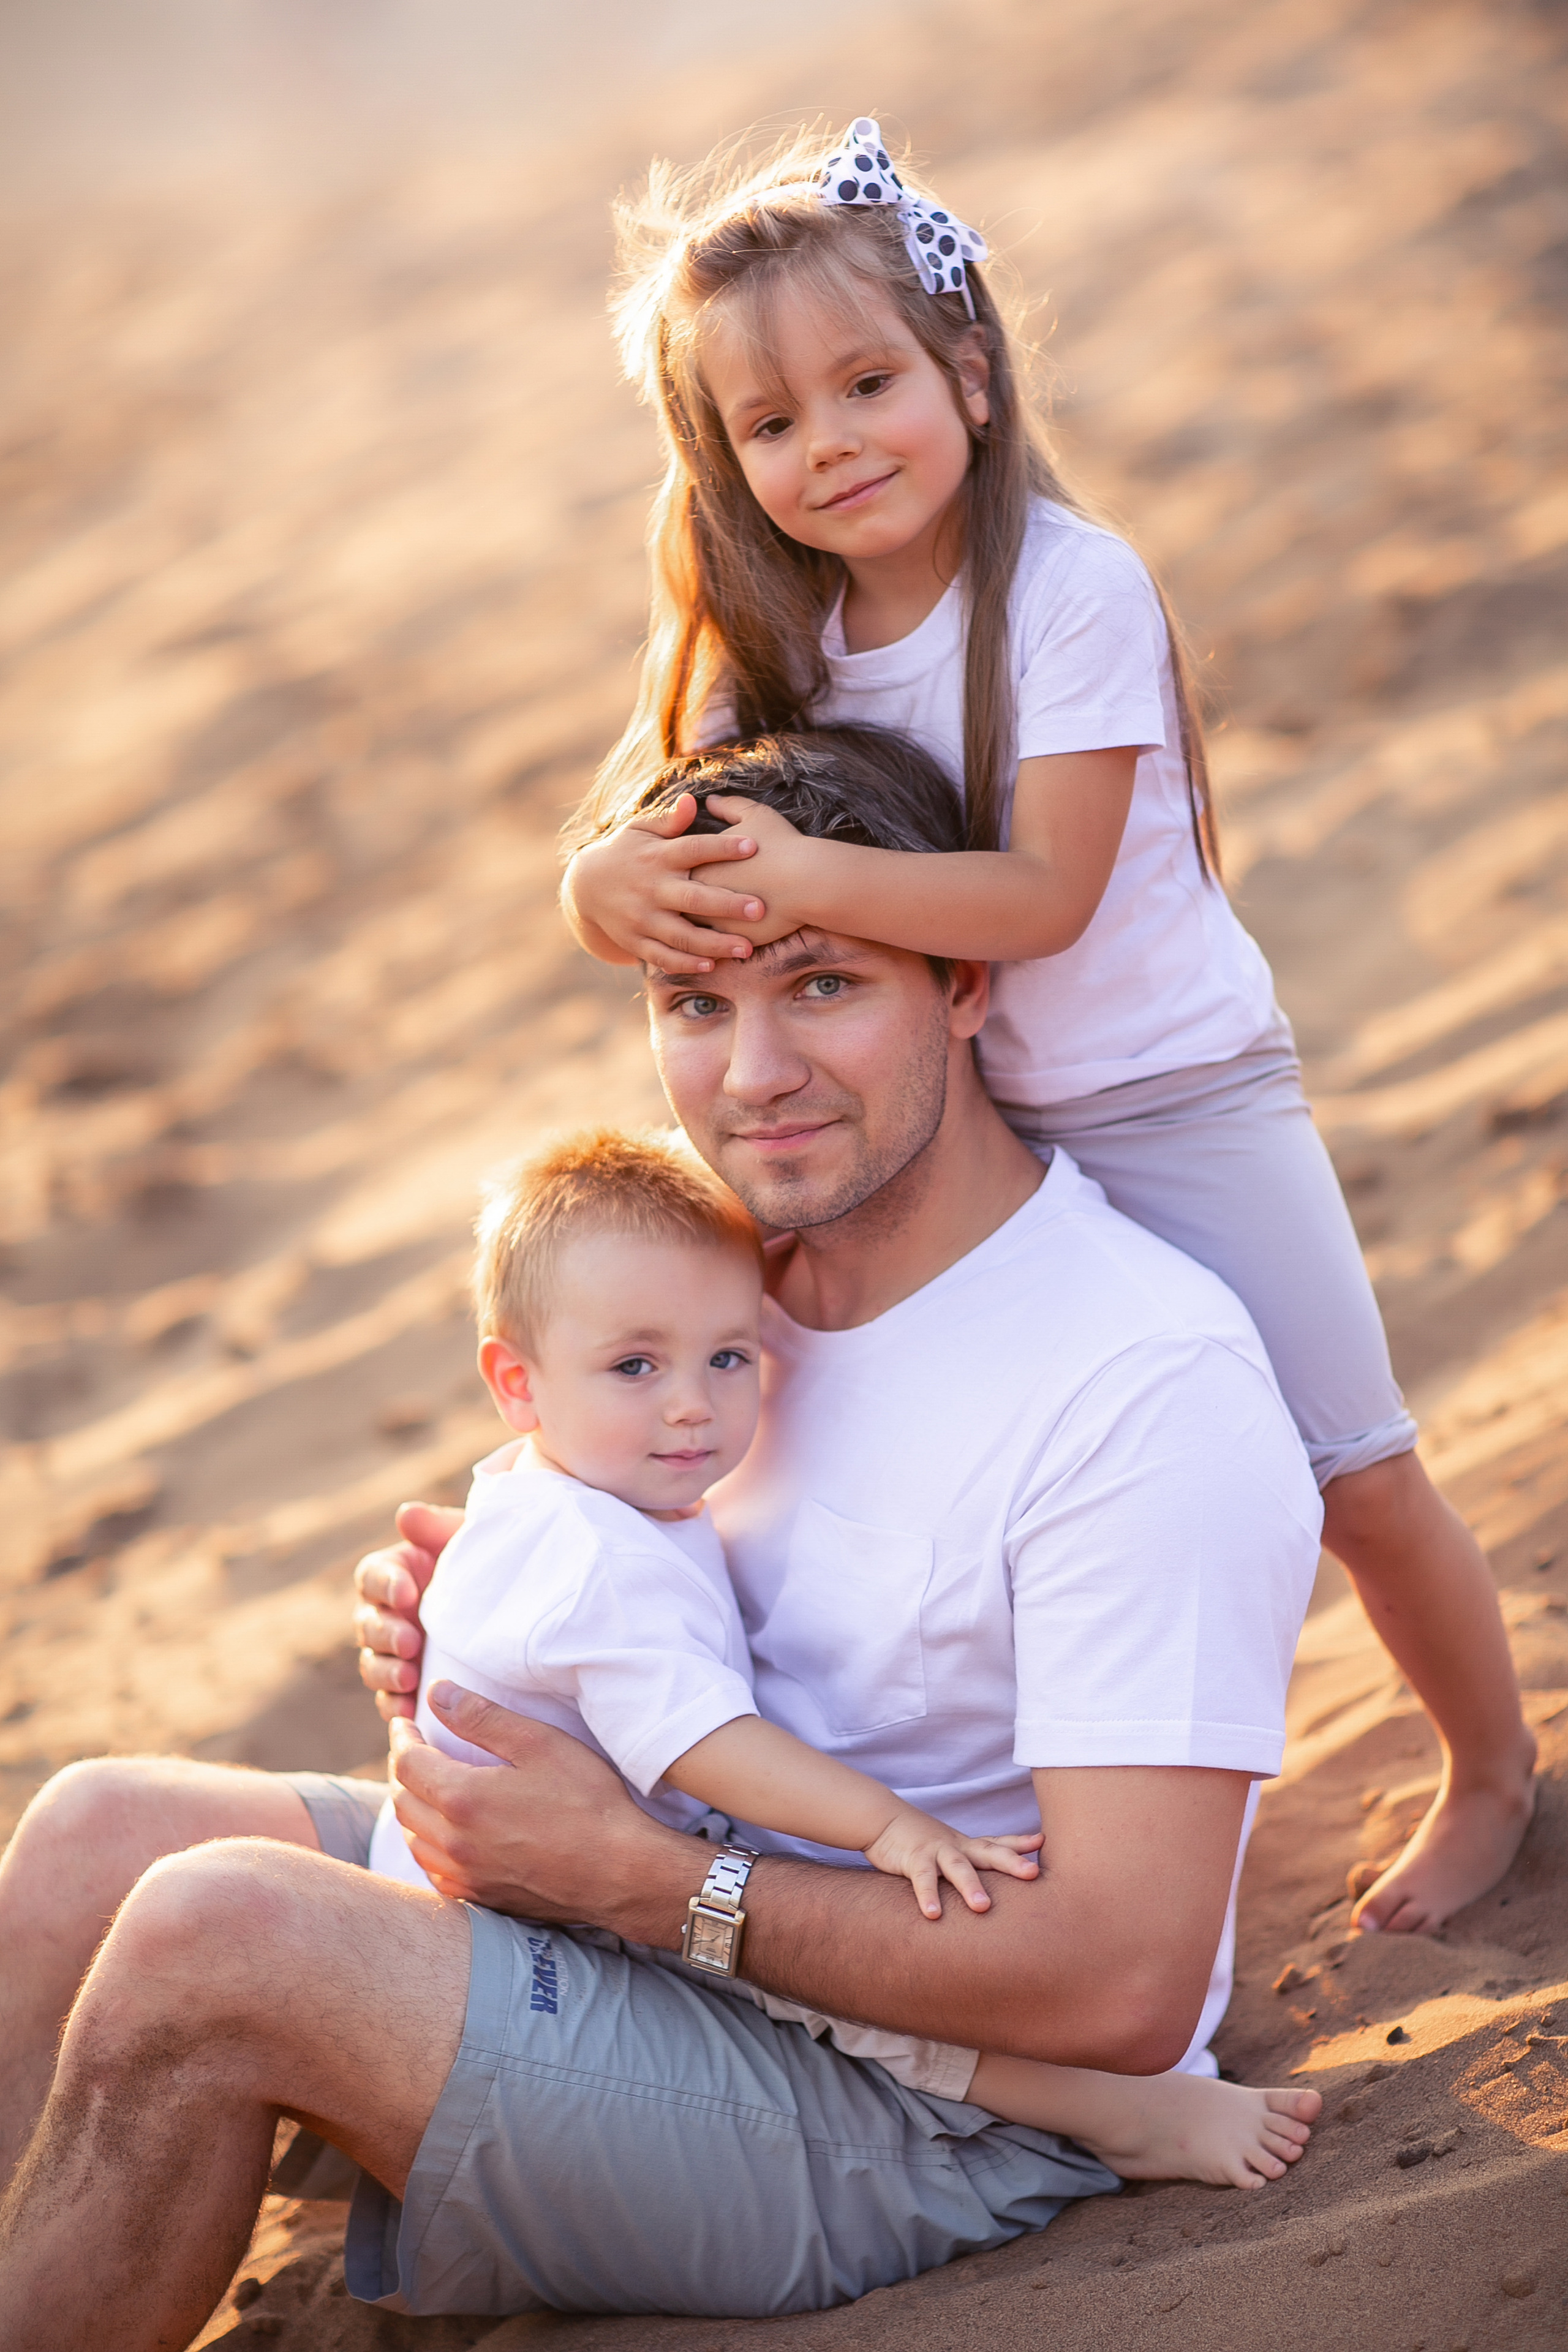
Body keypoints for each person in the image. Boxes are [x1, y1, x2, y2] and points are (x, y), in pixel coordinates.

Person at [0, 733, 1322, 2345]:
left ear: (965, 982)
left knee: (222, 1939)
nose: (751, 1073)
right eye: (697, 1003)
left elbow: (1123, 1987)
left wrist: (652, 1887)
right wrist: (466, 1618)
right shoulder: (718, 1280)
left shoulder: (1137, 1384)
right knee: (90, 1833)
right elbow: (619, 1548)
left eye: (822, 984)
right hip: (646, 1919)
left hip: (935, 2107)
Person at [556, 115, 1535, 1936]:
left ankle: (1489, 1764)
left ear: (974, 377)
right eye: (772, 424)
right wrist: (594, 884)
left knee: (1354, 1468)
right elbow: (652, 818)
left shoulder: (1071, 592)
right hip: (964, 1117)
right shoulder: (765, 620)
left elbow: (1043, 899)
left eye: (869, 385)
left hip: (1174, 1091)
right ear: (721, 457)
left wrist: (810, 883)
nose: (831, 444)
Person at [372, 1111, 1316, 2188]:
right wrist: (889, 1827)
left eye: (729, 1356)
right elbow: (700, 1740)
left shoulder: (564, 1485)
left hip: (503, 1860)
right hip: (534, 1901)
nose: (692, 1406)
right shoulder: (595, 1548)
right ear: (517, 1383)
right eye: (636, 1366)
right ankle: (1119, 2115)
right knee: (814, 1995)